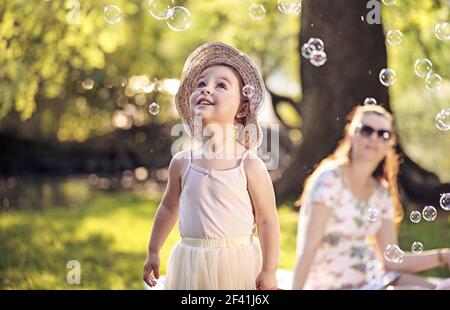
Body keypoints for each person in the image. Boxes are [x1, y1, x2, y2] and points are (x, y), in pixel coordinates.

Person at [143, 42, 280, 290]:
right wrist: (154, 250)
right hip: (191, 262)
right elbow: (168, 208)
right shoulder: (182, 162)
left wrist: (268, 271)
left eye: (221, 85)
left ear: (242, 108)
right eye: (201, 84)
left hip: (237, 263)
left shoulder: (249, 165)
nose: (207, 89)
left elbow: (267, 220)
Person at [291, 104, 450, 290]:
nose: (374, 138)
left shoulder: (381, 192)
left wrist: (444, 256)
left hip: (375, 279)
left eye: (383, 134)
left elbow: (392, 260)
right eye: (367, 130)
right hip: (332, 285)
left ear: (390, 143)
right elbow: (308, 249)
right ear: (351, 134)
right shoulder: (330, 180)